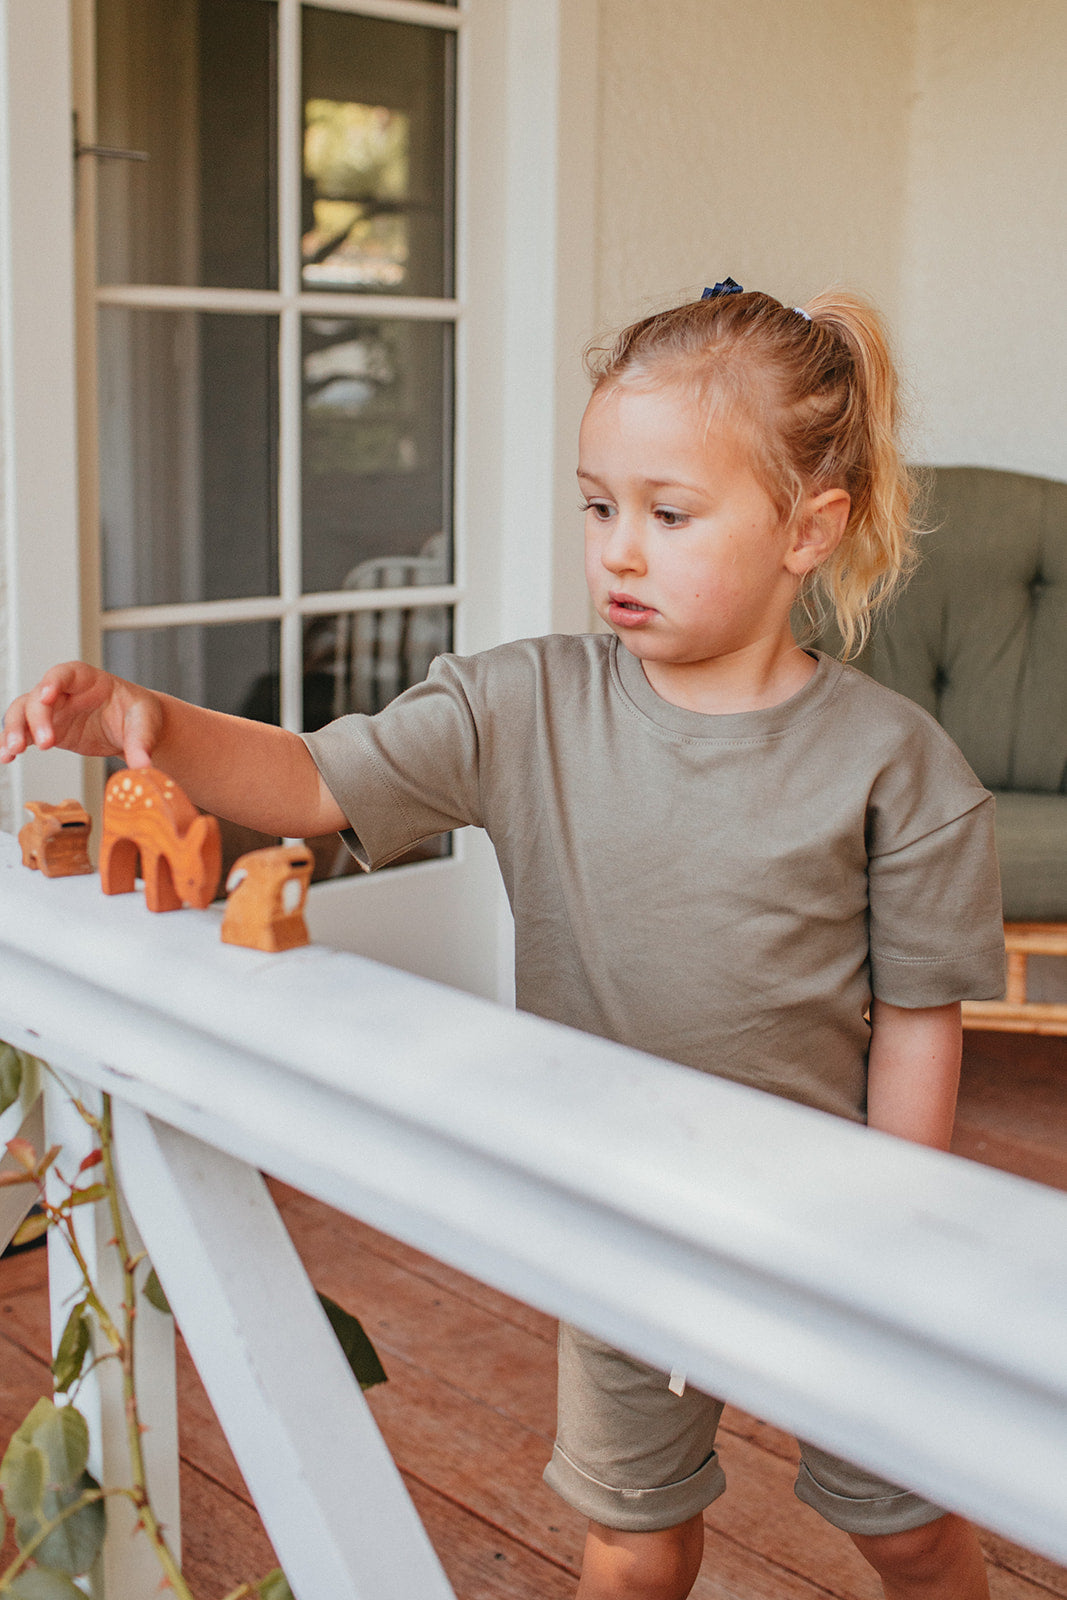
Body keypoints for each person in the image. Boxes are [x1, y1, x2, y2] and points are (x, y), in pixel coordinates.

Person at [2, 281, 1004, 1600]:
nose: (619, 552)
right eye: (599, 507)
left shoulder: (899, 767)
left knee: (915, 1533)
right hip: (618, 1214)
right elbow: (309, 780)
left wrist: (890, 1250)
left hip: (833, 1237)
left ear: (810, 529)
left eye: (669, 513)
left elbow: (923, 1026)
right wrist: (149, 721)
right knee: (635, 1543)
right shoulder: (522, 703)